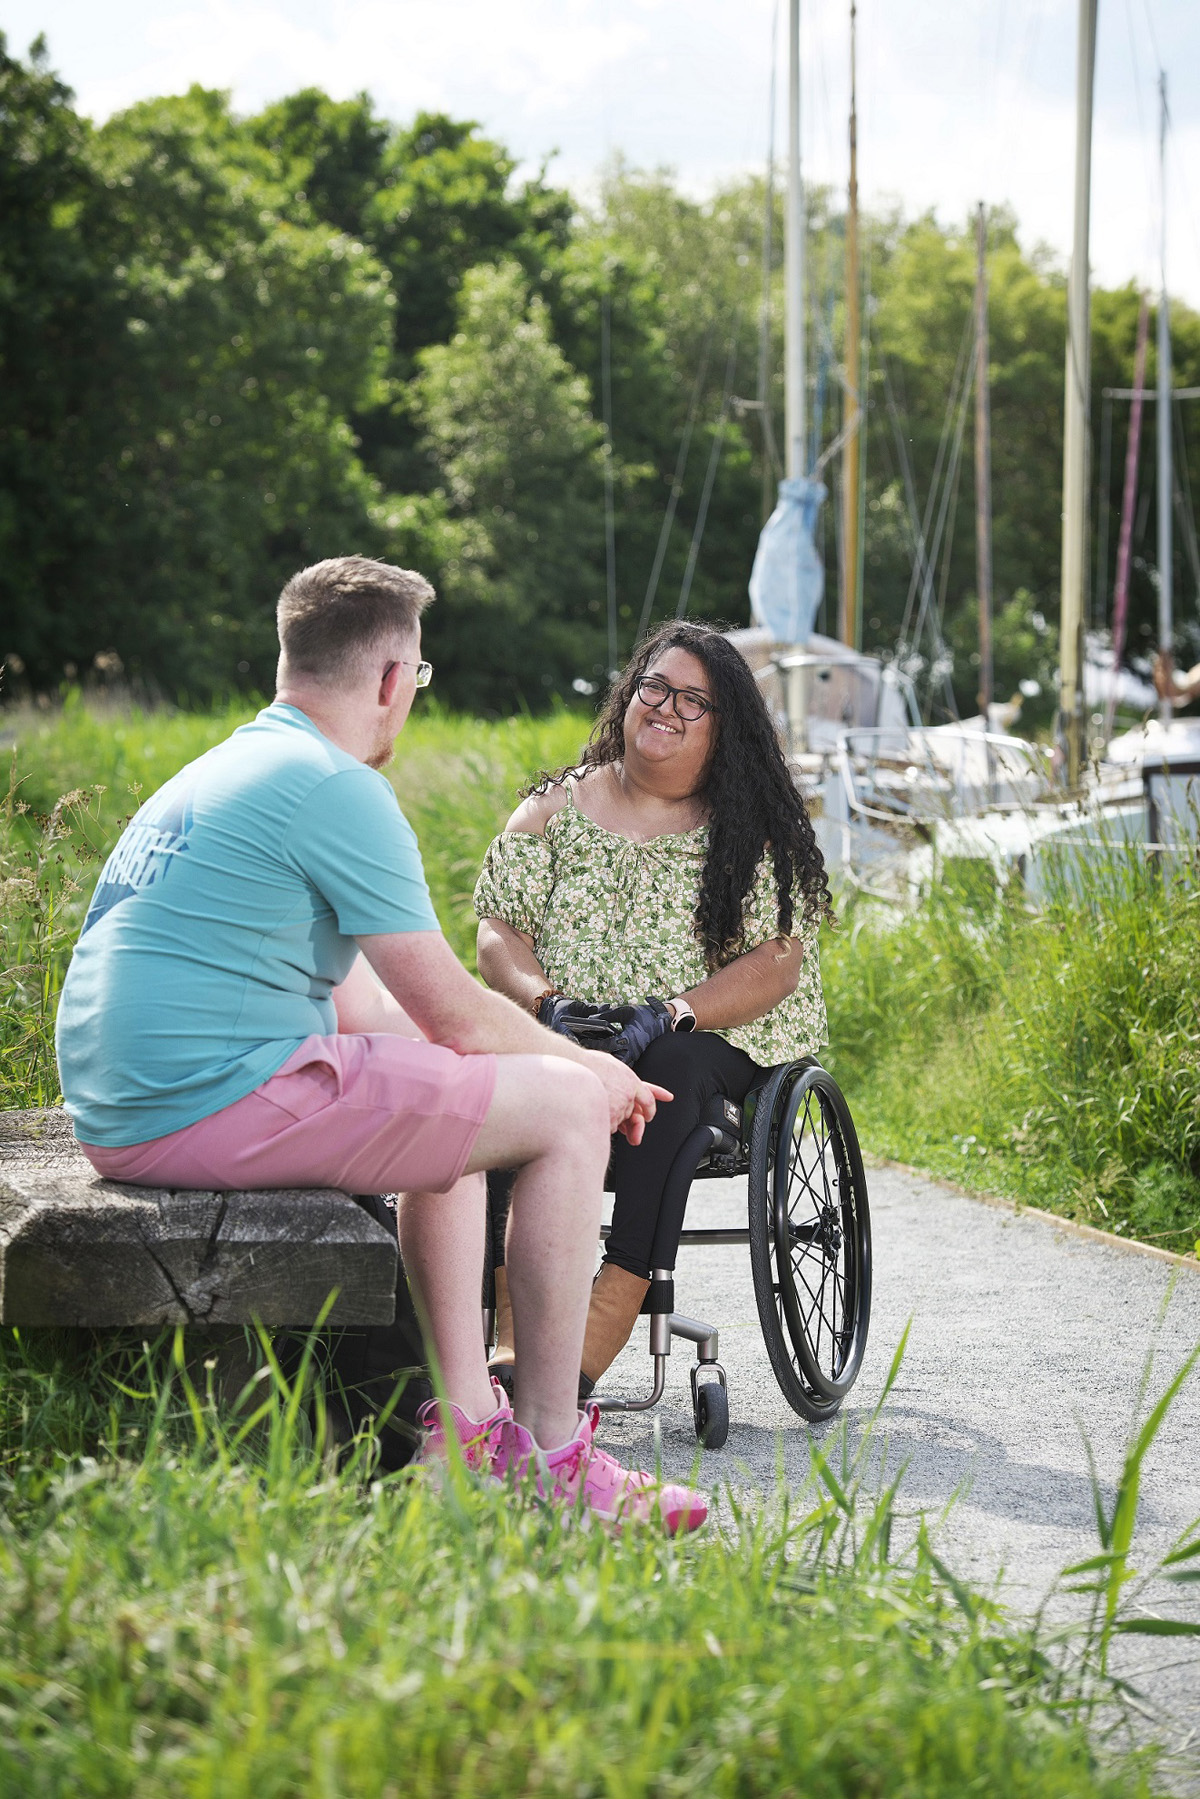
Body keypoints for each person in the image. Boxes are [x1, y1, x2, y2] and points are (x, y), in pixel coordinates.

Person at [54, 556, 706, 1533]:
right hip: (202, 1100)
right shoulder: (333, 787)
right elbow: (453, 1009)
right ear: (395, 678)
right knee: (566, 1110)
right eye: (421, 680)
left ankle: (463, 1438)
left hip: (137, 1106)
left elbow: (384, 1019)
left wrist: (515, 1064)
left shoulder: (229, 768)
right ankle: (552, 1446)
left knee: (454, 1100)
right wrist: (588, 1069)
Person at [474, 620, 833, 1398]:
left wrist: (670, 1010)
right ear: (629, 695)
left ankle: (610, 1302)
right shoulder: (551, 812)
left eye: (694, 701)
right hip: (577, 1034)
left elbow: (777, 960)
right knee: (511, 1059)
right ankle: (510, 1319)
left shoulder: (752, 829)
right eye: (655, 687)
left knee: (671, 1064)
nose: (667, 707)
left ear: (724, 726)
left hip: (699, 1038)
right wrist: (549, 1003)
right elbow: (498, 931)